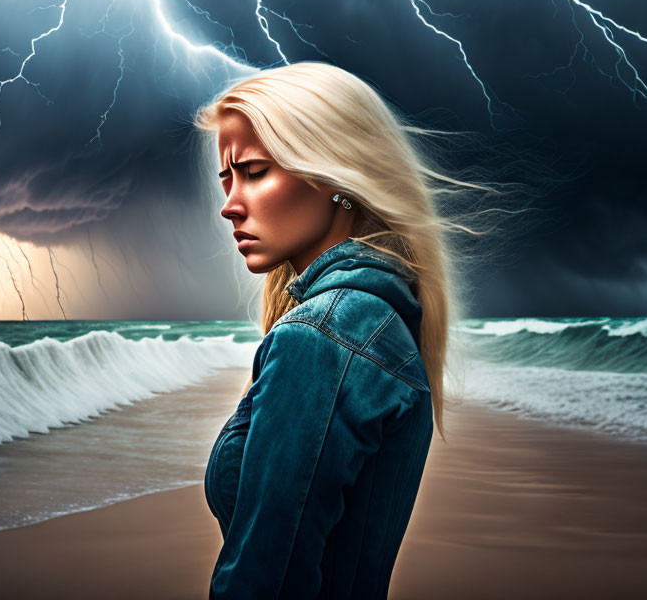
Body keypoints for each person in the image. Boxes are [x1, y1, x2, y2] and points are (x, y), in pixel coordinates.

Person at [194, 61, 480, 599]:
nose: (230, 206)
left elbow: (267, 584)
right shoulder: (383, 321)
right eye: (226, 179)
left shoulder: (321, 339)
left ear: (334, 179)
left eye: (254, 172)